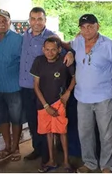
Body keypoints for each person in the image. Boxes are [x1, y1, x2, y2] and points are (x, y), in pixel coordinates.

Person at [20, 7, 74, 167]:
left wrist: (70, 53)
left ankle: (48, 154)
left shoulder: (51, 36)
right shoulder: (24, 36)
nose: (36, 22)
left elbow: (66, 50)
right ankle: (38, 149)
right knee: (33, 121)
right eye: (33, 18)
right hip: (25, 84)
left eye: (40, 19)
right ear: (29, 20)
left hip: (45, 89)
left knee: (52, 123)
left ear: (45, 20)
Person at [71, 14, 112, 174]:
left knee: (106, 135)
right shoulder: (77, 42)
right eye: (83, 27)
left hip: (103, 97)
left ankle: (107, 166)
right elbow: (66, 46)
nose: (87, 30)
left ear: (98, 26)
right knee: (85, 134)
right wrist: (69, 52)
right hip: (82, 97)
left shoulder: (110, 45)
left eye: (90, 26)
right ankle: (90, 163)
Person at [31, 37, 76, 172]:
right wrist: (46, 106)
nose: (50, 52)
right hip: (43, 105)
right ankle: (51, 160)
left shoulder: (64, 61)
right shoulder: (38, 61)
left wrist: (68, 92)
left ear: (59, 50)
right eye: (47, 49)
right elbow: (36, 86)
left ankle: (66, 162)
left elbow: (75, 77)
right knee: (48, 132)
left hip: (59, 103)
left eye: (53, 50)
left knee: (62, 132)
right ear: (43, 49)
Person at [0, 9, 24, 163]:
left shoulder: (18, 39)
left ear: (10, 22)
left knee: (15, 118)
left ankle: (16, 147)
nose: (1, 24)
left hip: (13, 86)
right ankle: (7, 147)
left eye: (4, 21)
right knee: (2, 118)